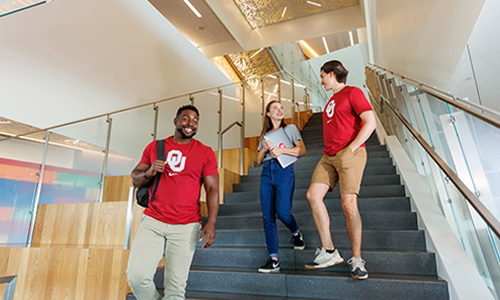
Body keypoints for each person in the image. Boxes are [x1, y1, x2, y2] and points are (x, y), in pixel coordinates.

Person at [127, 105, 219, 299]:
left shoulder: (205, 152)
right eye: (186, 118)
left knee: (175, 290)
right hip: (153, 221)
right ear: (176, 121)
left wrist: (211, 223)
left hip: (186, 226)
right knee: (137, 277)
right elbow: (135, 178)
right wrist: (149, 172)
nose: (191, 124)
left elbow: (212, 188)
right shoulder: (155, 147)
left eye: (195, 121)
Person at [304, 60, 376, 280]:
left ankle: (356, 259)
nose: (321, 80)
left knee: (348, 204)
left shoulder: (353, 92)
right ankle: (329, 251)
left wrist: (351, 148)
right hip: (329, 156)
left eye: (323, 75)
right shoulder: (331, 100)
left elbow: (370, 122)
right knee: (313, 196)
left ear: (332, 73)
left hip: (350, 153)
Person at [256, 100, 307, 273]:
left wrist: (281, 150)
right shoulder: (265, 134)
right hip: (266, 172)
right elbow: (258, 160)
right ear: (268, 114)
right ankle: (274, 258)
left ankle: (295, 232)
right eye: (275, 108)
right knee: (267, 217)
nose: (279, 110)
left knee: (283, 211)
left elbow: (302, 151)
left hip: (284, 170)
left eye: (281, 108)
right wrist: (264, 150)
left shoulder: (290, 129)